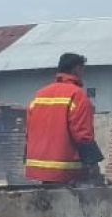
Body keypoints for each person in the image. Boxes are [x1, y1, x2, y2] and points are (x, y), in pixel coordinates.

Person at [24, 52, 99, 185]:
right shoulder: (77, 95)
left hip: (38, 168)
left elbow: (29, 130)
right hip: (65, 169)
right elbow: (82, 133)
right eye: (82, 69)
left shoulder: (40, 94)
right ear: (77, 69)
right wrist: (92, 162)